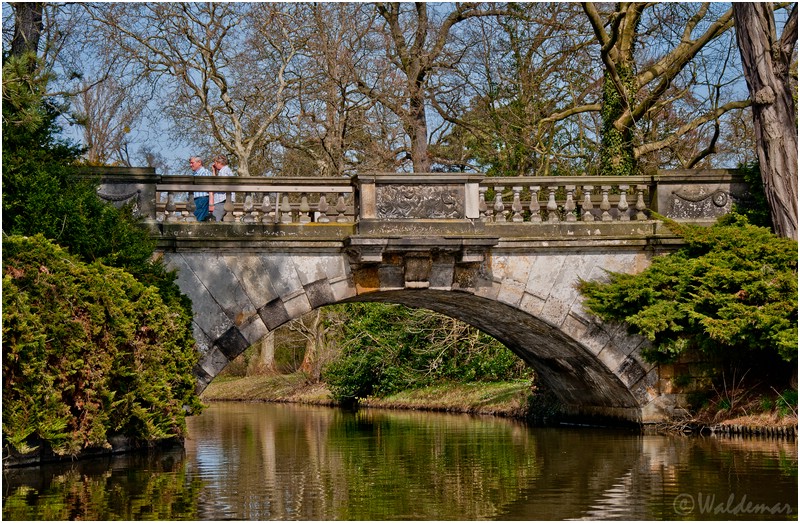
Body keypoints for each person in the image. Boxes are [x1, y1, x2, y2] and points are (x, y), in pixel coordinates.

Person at [210, 154, 235, 222]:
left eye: (215, 162)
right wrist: (214, 171)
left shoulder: (224, 171)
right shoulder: (225, 170)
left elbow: (218, 184)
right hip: (225, 200)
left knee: (214, 221)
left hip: (223, 200)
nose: (214, 165)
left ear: (219, 162)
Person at [189, 156, 212, 221]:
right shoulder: (195, 174)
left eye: (192, 163)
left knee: (198, 221)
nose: (190, 165)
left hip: (202, 199)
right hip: (195, 200)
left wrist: (211, 203)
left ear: (199, 162)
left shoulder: (205, 173)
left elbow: (211, 189)